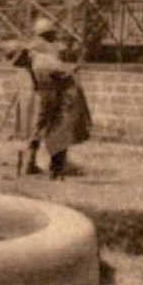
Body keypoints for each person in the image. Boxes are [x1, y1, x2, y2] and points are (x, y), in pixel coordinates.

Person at [15, 20, 92, 179]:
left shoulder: (32, 51)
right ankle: (55, 169)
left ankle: (29, 163)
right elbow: (60, 71)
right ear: (47, 35)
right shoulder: (44, 53)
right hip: (54, 94)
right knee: (59, 130)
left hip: (41, 94)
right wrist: (73, 68)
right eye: (52, 35)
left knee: (39, 128)